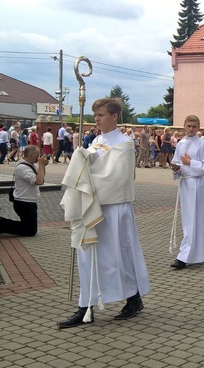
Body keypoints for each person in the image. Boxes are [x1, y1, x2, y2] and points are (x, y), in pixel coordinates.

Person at [57, 98, 150, 328]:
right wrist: (82, 159)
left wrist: (87, 178)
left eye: (100, 115)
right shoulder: (96, 141)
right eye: (95, 115)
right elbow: (90, 169)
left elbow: (117, 178)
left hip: (114, 207)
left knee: (117, 255)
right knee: (88, 254)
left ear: (114, 116)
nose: (96, 119)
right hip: (91, 206)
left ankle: (133, 298)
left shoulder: (125, 144)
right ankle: (85, 306)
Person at [169, 115, 204, 269]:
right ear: (183, 126)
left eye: (194, 126)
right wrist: (176, 168)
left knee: (194, 219)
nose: (191, 129)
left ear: (198, 127)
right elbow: (176, 161)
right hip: (185, 183)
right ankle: (200, 250)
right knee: (188, 219)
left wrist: (191, 163)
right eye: (188, 126)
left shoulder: (203, 144)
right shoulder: (181, 143)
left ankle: (184, 256)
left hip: (196, 184)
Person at [0, 145, 47, 237]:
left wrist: (42, 166)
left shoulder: (31, 165)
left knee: (29, 228)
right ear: (31, 155)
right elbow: (38, 181)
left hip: (29, 201)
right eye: (38, 155)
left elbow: (41, 179)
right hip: (24, 202)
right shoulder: (22, 168)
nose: (39, 157)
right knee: (30, 230)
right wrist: (41, 165)